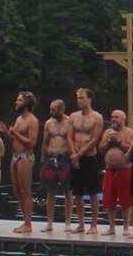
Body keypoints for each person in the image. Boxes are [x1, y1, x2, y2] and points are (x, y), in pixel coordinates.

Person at [67, 89, 105, 234]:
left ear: (89, 99)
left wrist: (79, 154)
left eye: (82, 98)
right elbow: (70, 136)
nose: (79, 101)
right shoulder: (73, 116)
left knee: (93, 192)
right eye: (78, 98)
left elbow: (95, 139)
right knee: (77, 192)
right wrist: (73, 154)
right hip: (75, 156)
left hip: (88, 157)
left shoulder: (97, 117)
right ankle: (81, 223)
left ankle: (94, 224)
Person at [10, 92, 41, 234]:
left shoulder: (32, 120)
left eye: (19, 100)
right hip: (15, 157)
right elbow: (14, 139)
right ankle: (24, 221)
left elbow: (32, 143)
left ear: (26, 103)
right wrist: (7, 132)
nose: (16, 102)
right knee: (17, 191)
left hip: (25, 157)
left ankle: (28, 224)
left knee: (25, 191)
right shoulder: (18, 119)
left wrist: (15, 134)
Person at [38, 100, 70, 233]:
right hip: (51, 159)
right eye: (50, 109)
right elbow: (45, 143)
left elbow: (72, 141)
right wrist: (42, 161)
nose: (51, 112)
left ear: (61, 109)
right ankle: (49, 222)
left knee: (68, 191)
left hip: (64, 159)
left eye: (53, 110)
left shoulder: (69, 122)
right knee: (50, 192)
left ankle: (67, 222)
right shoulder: (48, 123)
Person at [100, 110, 132, 233]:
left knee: (126, 201)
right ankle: (111, 228)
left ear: (123, 119)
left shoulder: (129, 132)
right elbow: (101, 149)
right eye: (112, 117)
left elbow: (132, 150)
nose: (113, 119)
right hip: (109, 170)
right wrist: (109, 141)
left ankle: (126, 227)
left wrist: (118, 142)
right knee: (109, 200)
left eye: (116, 117)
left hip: (124, 170)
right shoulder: (107, 132)